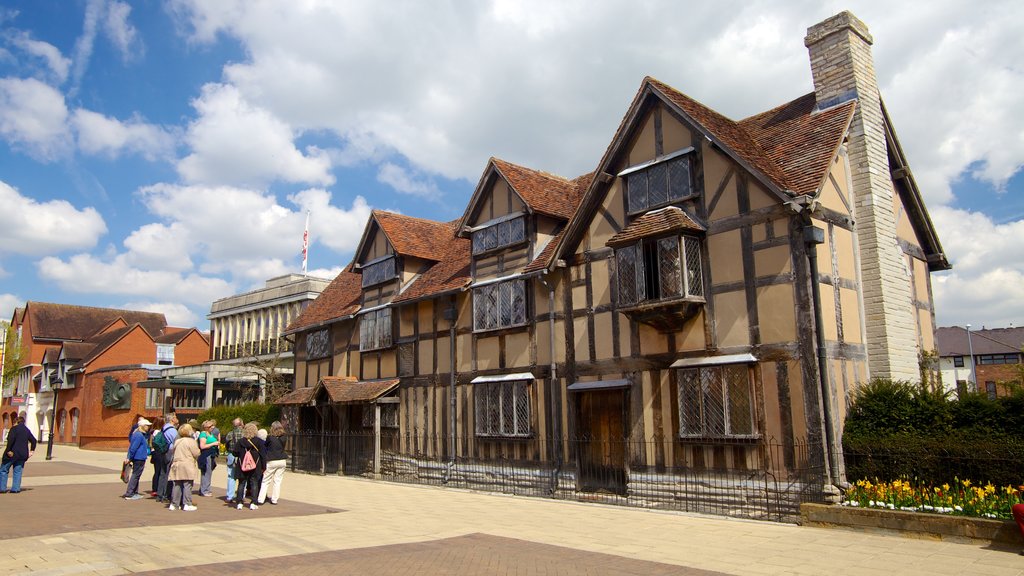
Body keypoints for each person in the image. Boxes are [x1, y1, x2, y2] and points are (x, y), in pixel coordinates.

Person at [0, 413, 37, 493]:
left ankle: (2, 488)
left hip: (12, 454)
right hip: (22, 455)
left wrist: (9, 450)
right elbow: (34, 440)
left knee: (4, 469)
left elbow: (11, 440)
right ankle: (15, 489)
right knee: (18, 471)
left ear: (16, 422)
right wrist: (31, 451)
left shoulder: (14, 429)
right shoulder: (26, 430)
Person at [231, 422, 265, 510]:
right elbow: (263, 455)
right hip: (255, 465)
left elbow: (235, 453)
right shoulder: (259, 442)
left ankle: (239, 502)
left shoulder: (241, 441)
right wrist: (263, 467)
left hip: (242, 465)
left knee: (242, 483)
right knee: (254, 483)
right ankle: (253, 502)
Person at [167, 423, 200, 511]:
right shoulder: (191, 441)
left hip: (177, 464)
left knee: (177, 484)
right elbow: (196, 453)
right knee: (187, 484)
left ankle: (174, 504)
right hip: (187, 464)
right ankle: (187, 503)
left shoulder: (177, 441)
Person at [258, 421, 287, 505]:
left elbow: (265, 446)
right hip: (282, 460)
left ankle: (260, 499)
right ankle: (274, 499)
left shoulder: (270, 437)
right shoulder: (284, 437)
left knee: (266, 480)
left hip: (272, 460)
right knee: (277, 481)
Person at [122, 417, 152, 500]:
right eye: (147, 425)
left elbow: (132, 447)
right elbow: (133, 447)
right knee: (135, 475)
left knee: (137, 475)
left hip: (139, 457)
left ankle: (134, 492)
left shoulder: (138, 434)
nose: (148, 427)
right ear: (142, 426)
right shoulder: (139, 435)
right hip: (139, 458)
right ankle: (129, 493)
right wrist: (129, 457)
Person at [222, 418, 244, 503]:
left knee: (231, 476)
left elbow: (226, 445)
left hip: (232, 455)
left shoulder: (230, 434)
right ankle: (241, 495)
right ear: (241, 424)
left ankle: (229, 496)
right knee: (243, 477)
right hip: (242, 456)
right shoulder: (244, 434)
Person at [159, 414, 179, 504]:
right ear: (172, 420)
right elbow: (176, 442)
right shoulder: (172, 430)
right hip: (170, 452)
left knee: (163, 474)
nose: (176, 419)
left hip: (164, 452)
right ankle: (165, 494)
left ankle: (160, 494)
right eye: (175, 417)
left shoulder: (164, 428)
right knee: (168, 474)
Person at [197, 420, 219, 497]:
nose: (212, 427)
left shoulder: (210, 434)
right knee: (206, 472)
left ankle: (204, 489)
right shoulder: (203, 434)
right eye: (210, 426)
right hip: (206, 454)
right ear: (205, 427)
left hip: (211, 454)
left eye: (213, 426)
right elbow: (202, 446)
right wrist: (213, 443)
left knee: (208, 472)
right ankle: (205, 490)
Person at [148, 417, 167, 498]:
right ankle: (156, 489)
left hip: (154, 452)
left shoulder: (153, 431)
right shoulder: (157, 432)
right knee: (159, 471)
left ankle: (155, 489)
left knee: (157, 471)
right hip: (158, 452)